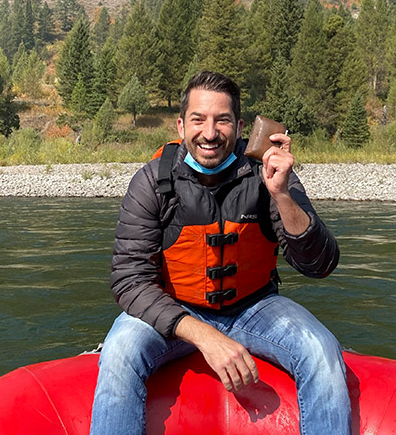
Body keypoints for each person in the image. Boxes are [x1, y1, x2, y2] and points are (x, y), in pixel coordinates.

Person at [90, 71, 351, 435]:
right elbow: (130, 281)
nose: (209, 133)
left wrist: (282, 194)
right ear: (181, 125)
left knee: (322, 351)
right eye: (198, 120)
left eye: (222, 120)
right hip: (174, 308)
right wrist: (204, 336)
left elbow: (320, 264)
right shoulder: (152, 182)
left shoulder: (269, 175)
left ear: (240, 125)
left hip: (256, 307)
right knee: (118, 355)